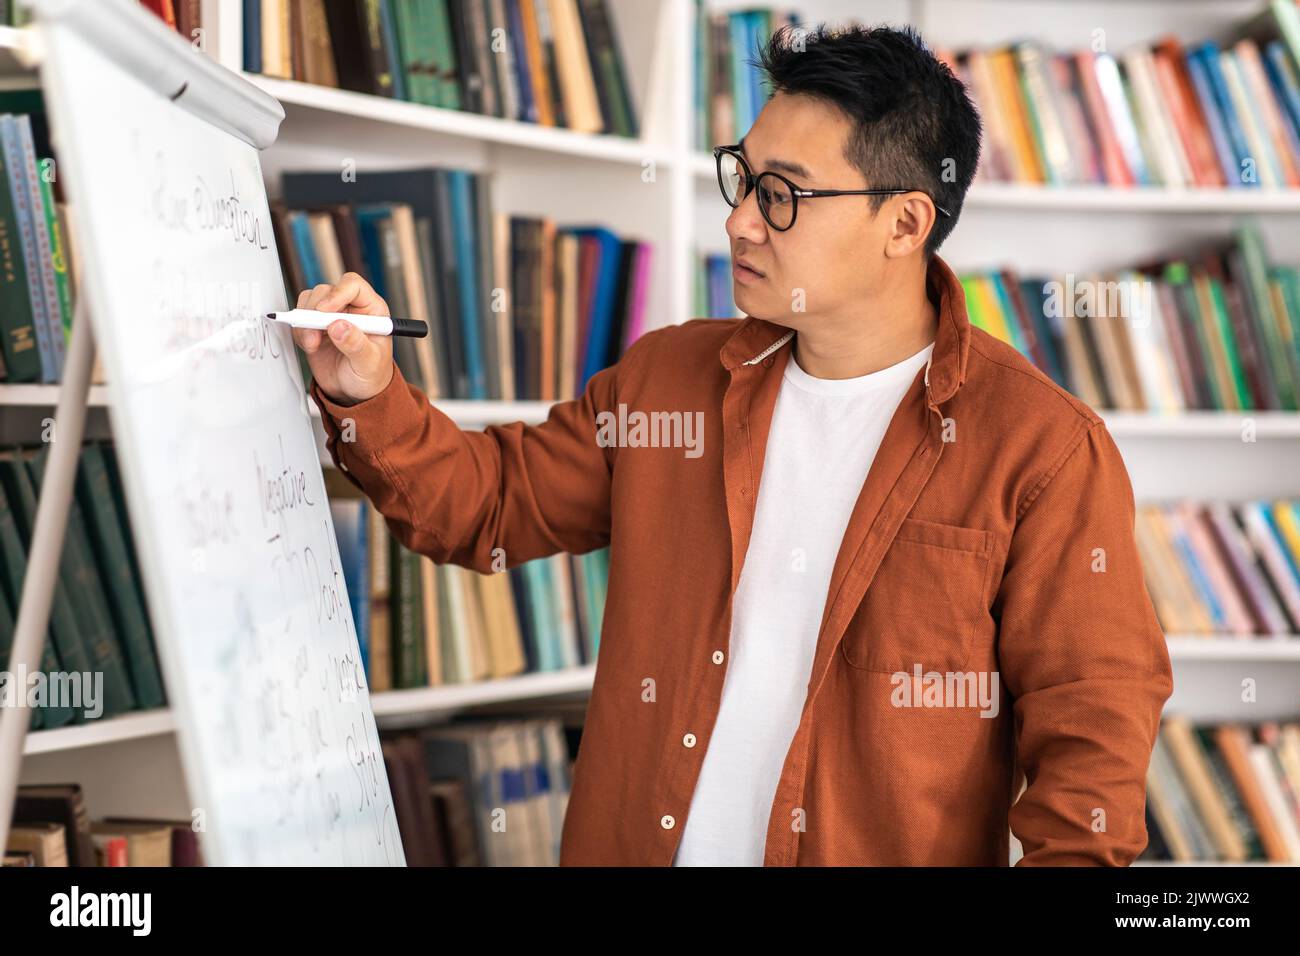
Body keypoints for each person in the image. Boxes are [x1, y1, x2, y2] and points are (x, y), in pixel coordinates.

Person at [294, 23, 1172, 866]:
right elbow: (485, 505)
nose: (740, 222)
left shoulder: (1042, 450)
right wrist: (367, 389)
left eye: (781, 194)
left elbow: (1092, 747)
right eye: (742, 180)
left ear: (905, 224)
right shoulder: (669, 380)